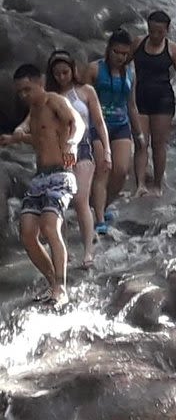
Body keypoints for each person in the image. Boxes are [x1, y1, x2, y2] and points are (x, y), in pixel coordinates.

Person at [0, 64, 86, 305]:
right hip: (40, 178)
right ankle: (53, 283)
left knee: (50, 226)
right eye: (20, 92)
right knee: (27, 233)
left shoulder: (54, 101)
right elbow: (38, 138)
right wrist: (14, 137)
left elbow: (77, 124)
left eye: (27, 89)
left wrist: (71, 144)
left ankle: (61, 287)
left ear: (40, 83)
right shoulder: (34, 111)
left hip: (61, 175)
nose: (23, 95)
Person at [46, 50, 112, 269]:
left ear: (73, 70)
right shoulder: (50, 97)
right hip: (59, 150)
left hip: (84, 147)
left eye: (65, 72)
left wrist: (107, 149)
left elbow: (99, 122)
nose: (62, 77)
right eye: (57, 74)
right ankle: (63, 251)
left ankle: (88, 252)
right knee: (61, 202)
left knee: (81, 199)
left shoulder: (86, 91)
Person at [84, 29, 148, 234]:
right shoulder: (94, 69)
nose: (120, 57)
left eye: (124, 53)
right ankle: (100, 219)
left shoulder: (130, 73)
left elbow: (131, 104)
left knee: (121, 171)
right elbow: (82, 100)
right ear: (109, 50)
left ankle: (101, 205)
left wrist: (139, 134)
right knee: (104, 169)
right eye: (116, 52)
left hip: (121, 124)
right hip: (97, 125)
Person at [132, 10, 176, 196]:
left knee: (159, 144)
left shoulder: (171, 48)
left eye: (159, 32)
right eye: (151, 31)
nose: (154, 35)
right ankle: (140, 185)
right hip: (140, 97)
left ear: (167, 30)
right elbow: (123, 63)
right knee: (141, 143)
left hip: (163, 99)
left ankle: (157, 184)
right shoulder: (138, 43)